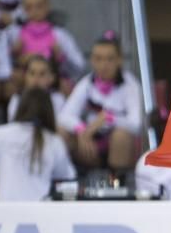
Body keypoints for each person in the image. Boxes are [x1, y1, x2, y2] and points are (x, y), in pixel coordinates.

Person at [58, 32, 142, 174]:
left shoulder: (130, 85)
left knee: (121, 135)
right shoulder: (86, 83)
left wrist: (109, 119)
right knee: (62, 131)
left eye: (110, 59)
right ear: (92, 60)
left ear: (119, 60)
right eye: (98, 59)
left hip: (119, 148)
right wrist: (82, 130)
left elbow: (136, 124)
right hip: (91, 147)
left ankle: (118, 182)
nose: (104, 65)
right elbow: (64, 116)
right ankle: (66, 178)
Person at [0, 87, 74, 201]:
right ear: (49, 111)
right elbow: (68, 180)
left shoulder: (0, 135)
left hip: (5, 214)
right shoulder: (54, 142)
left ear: (21, 108)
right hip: (40, 214)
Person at [4, 0, 85, 84]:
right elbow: (0, 65)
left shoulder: (60, 34)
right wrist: (14, 56)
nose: (34, 11)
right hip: (22, 84)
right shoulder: (13, 33)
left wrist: (60, 58)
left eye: (39, 6)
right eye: (29, 7)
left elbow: (79, 67)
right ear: (23, 8)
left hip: (51, 83)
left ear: (48, 6)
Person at [6, 54, 64, 122]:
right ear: (25, 76)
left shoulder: (58, 99)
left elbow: (59, 125)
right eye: (32, 73)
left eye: (42, 74)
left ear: (50, 78)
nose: (36, 78)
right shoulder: (17, 98)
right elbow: (13, 125)